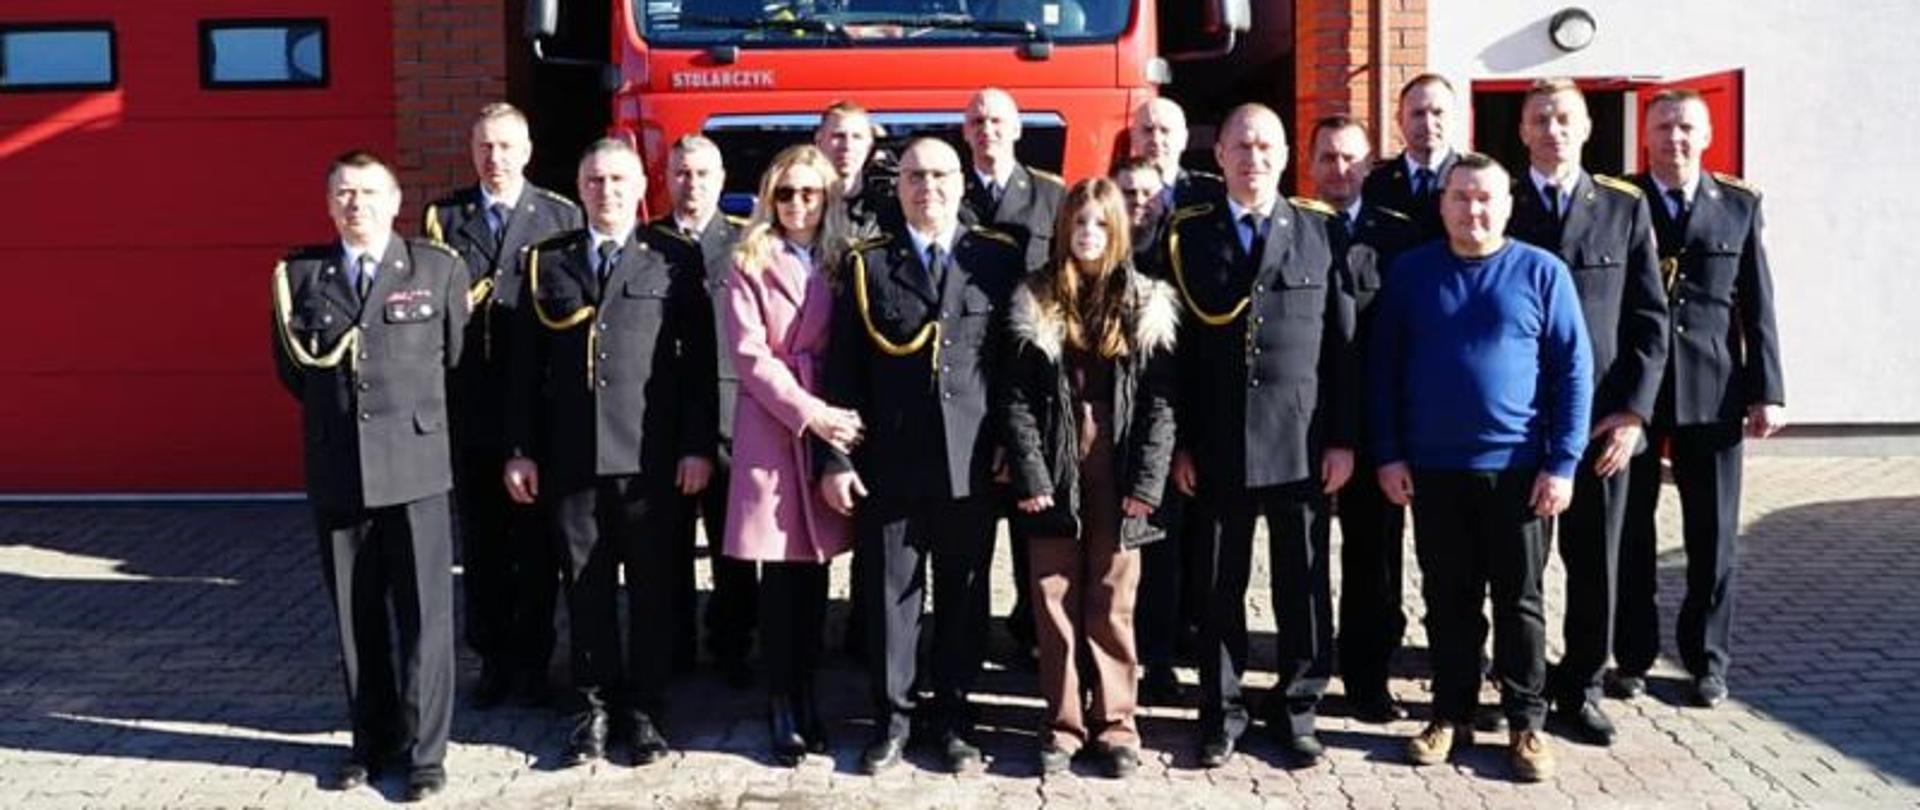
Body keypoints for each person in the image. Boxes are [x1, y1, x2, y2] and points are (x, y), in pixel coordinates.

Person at [1371, 153, 1593, 782]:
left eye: (1485, 198)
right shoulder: (1412, 274)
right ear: (1442, 204)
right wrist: (1388, 453)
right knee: (1448, 599)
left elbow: (1573, 372)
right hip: (1435, 469)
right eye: (1461, 197)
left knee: (1520, 602)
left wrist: (1563, 462)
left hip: (1521, 469)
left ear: (1507, 204)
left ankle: (1526, 723)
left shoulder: (1542, 271)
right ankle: (1451, 712)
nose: (1473, 209)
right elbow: (1382, 371)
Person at [503, 138, 718, 768]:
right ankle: (592, 708)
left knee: (654, 591)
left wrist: (697, 447)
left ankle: (646, 709)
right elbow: (524, 370)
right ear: (579, 189)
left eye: (620, 180)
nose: (608, 192)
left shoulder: (672, 257)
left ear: (641, 188)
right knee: (586, 589)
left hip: (651, 460)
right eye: (595, 182)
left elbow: (700, 367)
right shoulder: (547, 261)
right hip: (571, 462)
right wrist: (520, 450)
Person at [818, 137, 1023, 775]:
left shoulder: (996, 259)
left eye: (939, 174)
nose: (927, 186)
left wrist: (1015, 452)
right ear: (896, 186)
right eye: (913, 176)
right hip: (890, 462)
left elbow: (1015, 367)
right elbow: (843, 371)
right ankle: (894, 720)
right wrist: (838, 461)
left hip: (972, 462)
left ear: (961, 183)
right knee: (888, 599)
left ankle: (955, 718)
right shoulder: (867, 263)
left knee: (963, 598)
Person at [271, 150, 467, 802]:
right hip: (339, 473)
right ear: (330, 205)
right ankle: (370, 741)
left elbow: (455, 358)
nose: (357, 204)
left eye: (369, 192)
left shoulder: (435, 269)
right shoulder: (300, 275)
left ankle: (424, 753)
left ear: (395, 202)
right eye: (345, 194)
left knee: (426, 621)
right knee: (356, 620)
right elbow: (296, 371)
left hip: (415, 471)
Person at [1164, 103, 1356, 767]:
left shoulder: (1319, 231)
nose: (1254, 158)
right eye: (1241, 145)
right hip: (1218, 443)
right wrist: (1181, 442)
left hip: (1302, 441)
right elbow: (1177, 353)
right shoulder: (1186, 235)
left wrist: (1343, 439)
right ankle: (1221, 712)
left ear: (1284, 155)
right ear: (1218, 156)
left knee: (1303, 585)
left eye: (1266, 146)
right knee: (1218, 585)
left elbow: (1342, 346)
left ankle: (1299, 707)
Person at [1504, 79, 1670, 745]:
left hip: (1600, 427)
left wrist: (1634, 412)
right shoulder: (1496, 200)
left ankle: (1583, 686)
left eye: (1563, 118)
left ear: (1585, 128)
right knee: (1517, 569)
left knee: (1595, 563)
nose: (1552, 129)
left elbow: (1650, 322)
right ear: (1521, 130)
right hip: (1518, 424)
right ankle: (1522, 684)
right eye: (1539, 118)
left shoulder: (1623, 209)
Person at [1614, 88, 1786, 709]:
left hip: (1714, 390)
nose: (1674, 138)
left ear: (1706, 134)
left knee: (1713, 537)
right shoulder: (1619, 201)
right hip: (1635, 389)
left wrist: (1767, 389)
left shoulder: (1738, 204)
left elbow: (1758, 304)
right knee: (1627, 533)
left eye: (1686, 127)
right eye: (1663, 128)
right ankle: (1630, 655)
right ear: (1647, 136)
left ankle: (1706, 660)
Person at [1001, 178, 1179, 778]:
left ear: (1118, 230)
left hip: (1121, 458)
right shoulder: (1035, 296)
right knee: (1053, 598)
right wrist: (1031, 473)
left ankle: (1117, 724)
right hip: (1054, 456)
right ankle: (1063, 724)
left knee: (1112, 598)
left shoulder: (1145, 301)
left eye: (1100, 224)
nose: (1088, 235)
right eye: (1078, 223)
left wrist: (1148, 484)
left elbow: (1160, 404)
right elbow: (1018, 400)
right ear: (1062, 229)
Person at [422, 102, 580, 710]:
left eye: (507, 146)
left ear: (528, 151)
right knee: (484, 543)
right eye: (485, 147)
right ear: (472, 152)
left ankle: (537, 660)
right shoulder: (446, 215)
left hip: (539, 403)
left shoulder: (559, 213)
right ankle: (492, 659)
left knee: (538, 544)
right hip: (474, 402)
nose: (496, 158)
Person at [720, 144, 866, 766]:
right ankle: (782, 702)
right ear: (768, 198)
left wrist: (835, 417)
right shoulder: (745, 260)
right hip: (775, 430)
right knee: (780, 576)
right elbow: (750, 358)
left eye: (810, 193)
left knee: (815, 576)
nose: (798, 204)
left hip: (831, 424)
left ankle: (809, 694)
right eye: (786, 193)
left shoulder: (844, 259)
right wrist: (812, 412)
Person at [1307, 114, 1420, 724]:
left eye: (1350, 158)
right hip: (1307, 422)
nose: (1339, 169)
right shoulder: (1291, 225)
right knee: (1302, 557)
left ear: (1369, 163)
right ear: (1311, 163)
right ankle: (1307, 670)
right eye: (1327, 157)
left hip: (1377, 422)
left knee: (1375, 559)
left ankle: (1368, 677)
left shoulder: (1399, 235)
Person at [647, 135, 758, 686]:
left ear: (721, 178)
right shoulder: (646, 245)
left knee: (733, 545)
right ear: (666, 178)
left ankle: (733, 644)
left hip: (732, 415)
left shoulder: (746, 244)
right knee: (666, 544)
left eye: (703, 174)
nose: (692, 185)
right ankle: (674, 646)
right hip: (663, 421)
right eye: (682, 174)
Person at [960, 87, 1066, 273]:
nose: (986, 129)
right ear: (965, 132)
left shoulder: (1050, 193)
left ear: (1017, 130)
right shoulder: (951, 191)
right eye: (977, 122)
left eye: (996, 121)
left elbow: (1064, 265)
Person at [1361, 73, 1460, 240]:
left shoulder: (1472, 181)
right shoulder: (1374, 183)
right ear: (1400, 120)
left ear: (1454, 119)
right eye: (1418, 113)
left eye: (1438, 113)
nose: (1428, 123)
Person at [815, 100, 897, 238]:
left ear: (870, 146)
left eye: (857, 137)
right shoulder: (802, 209)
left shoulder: (890, 213)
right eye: (838, 136)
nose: (847, 146)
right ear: (819, 141)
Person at [1127, 97, 1224, 213]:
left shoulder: (1212, 193)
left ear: (1183, 139)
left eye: (1165, 131)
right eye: (1148, 130)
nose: (1156, 139)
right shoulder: (1114, 195)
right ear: (1133, 137)